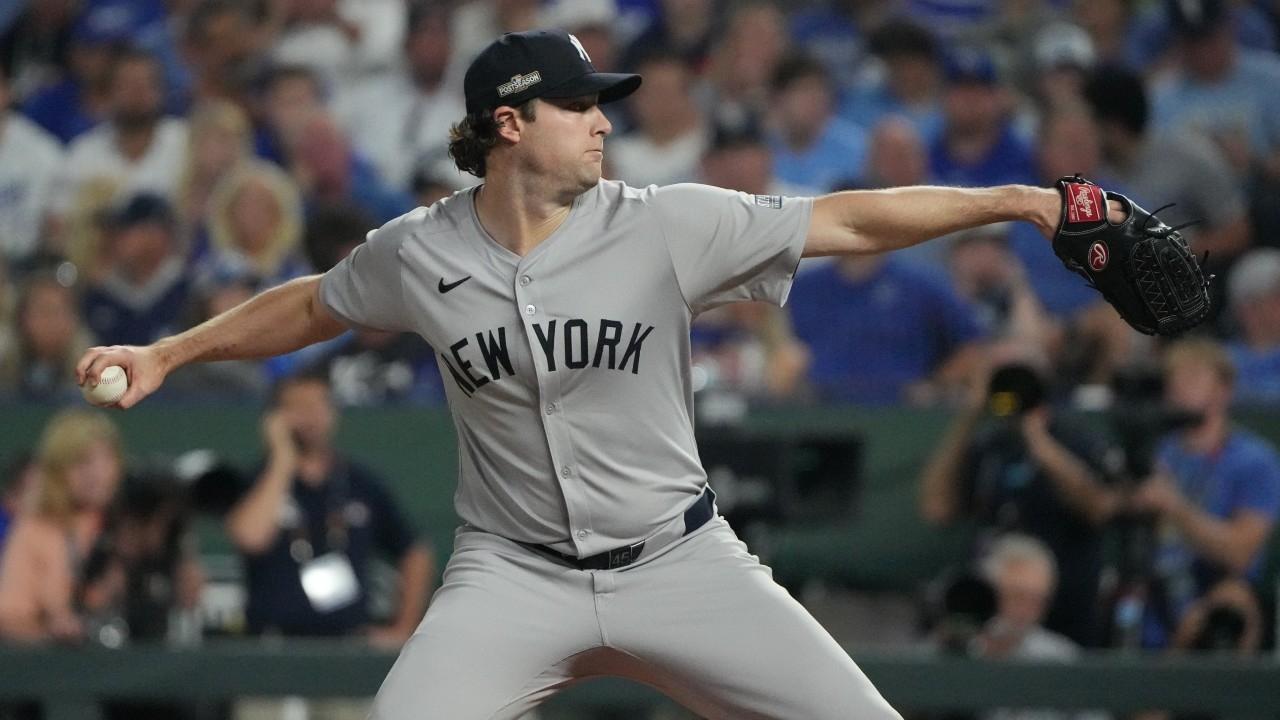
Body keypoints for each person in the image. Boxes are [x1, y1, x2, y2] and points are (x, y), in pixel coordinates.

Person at [76, 29, 1114, 718]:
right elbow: (308, 303)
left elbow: (844, 217)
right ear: (511, 126)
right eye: (581, 106)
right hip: (509, 577)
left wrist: (1016, 199)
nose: (606, 120)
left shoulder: (666, 222)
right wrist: (167, 352)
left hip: (682, 563)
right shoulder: (418, 250)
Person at [226, 372, 435, 720]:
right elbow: (250, 536)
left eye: (317, 405)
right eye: (297, 407)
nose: (309, 417)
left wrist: (403, 628)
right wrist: (281, 459)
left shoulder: (360, 483)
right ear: (276, 417)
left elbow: (415, 550)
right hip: (272, 652)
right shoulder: (259, 478)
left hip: (347, 651)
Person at [919, 340, 1122, 646]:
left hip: (1064, 610)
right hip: (989, 617)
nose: (1012, 388)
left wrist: (1037, 438)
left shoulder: (1075, 438)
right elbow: (937, 508)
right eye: (1000, 377)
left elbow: (1098, 508)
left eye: (1020, 377)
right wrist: (970, 416)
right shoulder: (989, 444)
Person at [1129, 339, 1280, 649]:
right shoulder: (1156, 452)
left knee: (1233, 604)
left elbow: (1241, 552)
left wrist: (1174, 506)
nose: (1180, 390)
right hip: (1155, 583)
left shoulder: (1254, 460)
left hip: (1215, 585)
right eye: (1174, 380)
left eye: (1193, 379)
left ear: (1223, 390)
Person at [0, 410, 124, 643]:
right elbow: (9, 617)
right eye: (83, 462)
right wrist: (52, 635)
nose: (97, 474)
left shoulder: (129, 524)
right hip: (63, 668)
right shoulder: (36, 530)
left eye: (107, 458)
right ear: (57, 469)